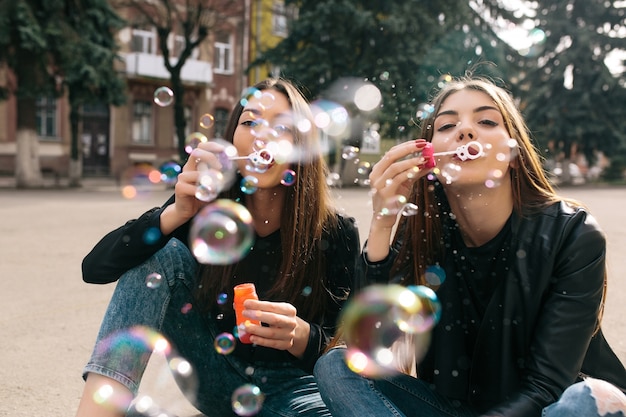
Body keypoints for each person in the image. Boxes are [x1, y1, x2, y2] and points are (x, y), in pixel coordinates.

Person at [314, 76, 626, 417]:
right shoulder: (423, 232)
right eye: (447, 125)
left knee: (586, 399)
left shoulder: (572, 233)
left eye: (487, 120)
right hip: (458, 410)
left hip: (549, 407)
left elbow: (546, 387)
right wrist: (382, 222)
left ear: (514, 154)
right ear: (429, 157)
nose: (465, 131)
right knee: (338, 366)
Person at [75, 78, 360, 417]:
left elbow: (347, 351)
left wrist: (301, 336)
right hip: (214, 372)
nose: (261, 135)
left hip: (297, 389)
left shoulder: (337, 232)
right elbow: (93, 269)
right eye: (249, 122)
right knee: (159, 253)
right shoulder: (203, 207)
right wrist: (174, 214)